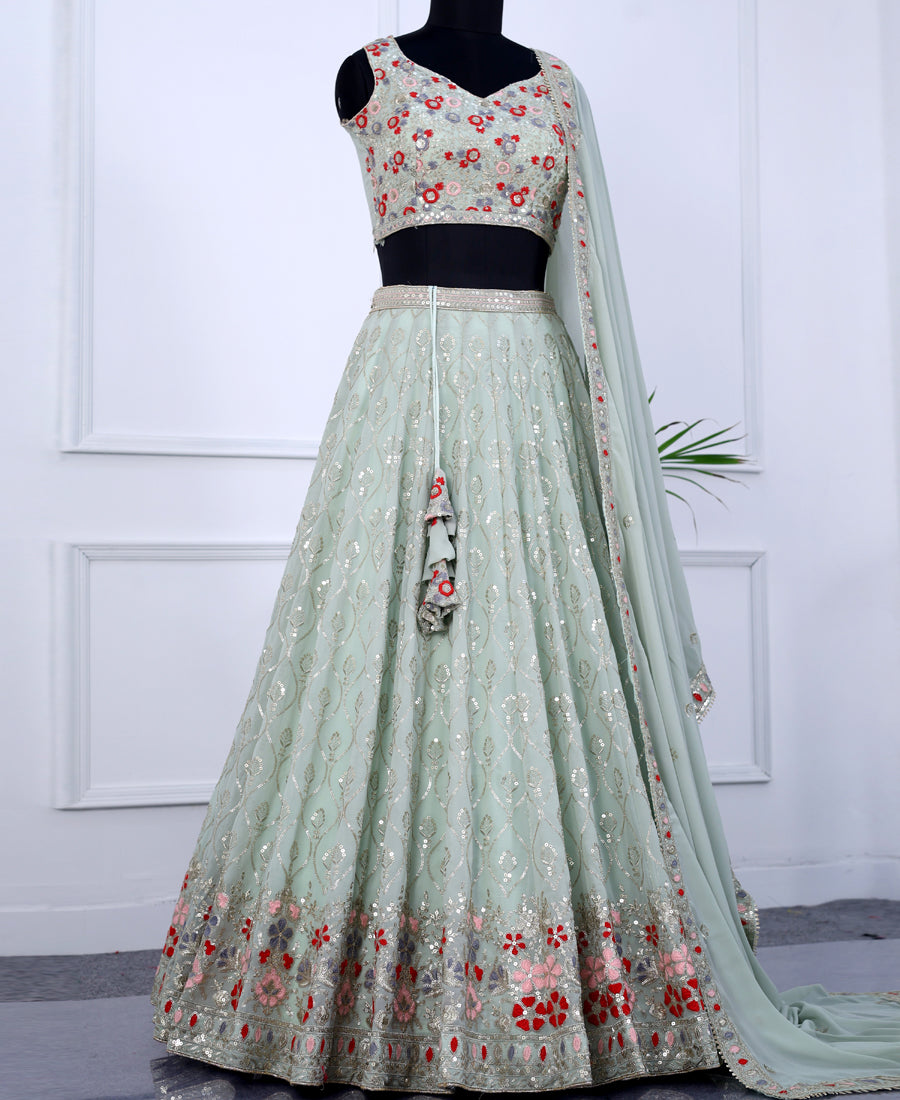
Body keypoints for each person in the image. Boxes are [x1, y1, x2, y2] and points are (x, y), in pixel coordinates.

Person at [150, 3, 900, 1094]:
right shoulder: (367, 74)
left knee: (531, 654)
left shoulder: (557, 88)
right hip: (404, 390)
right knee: (370, 653)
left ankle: (558, 984)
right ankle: (350, 988)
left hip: (536, 397)